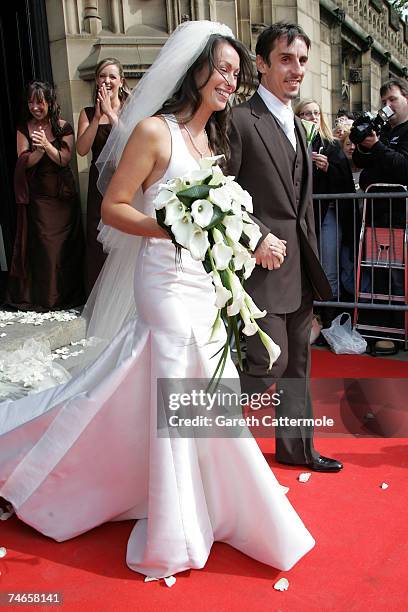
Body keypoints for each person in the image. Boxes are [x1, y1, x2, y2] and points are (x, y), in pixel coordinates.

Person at [0, 21, 315, 580]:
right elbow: (114, 207)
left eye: (235, 75)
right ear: (194, 70)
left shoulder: (212, 140)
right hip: (163, 282)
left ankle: (208, 495)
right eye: (222, 70)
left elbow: (221, 214)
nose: (228, 82)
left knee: (192, 385)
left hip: (201, 285)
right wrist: (167, 228)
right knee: (177, 376)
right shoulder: (153, 131)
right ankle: (175, 521)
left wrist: (253, 238)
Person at [228, 22, 342, 472]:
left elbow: (300, 205)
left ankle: (297, 448)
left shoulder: (299, 125)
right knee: (264, 366)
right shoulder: (239, 120)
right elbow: (221, 194)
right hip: (260, 268)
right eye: (286, 59)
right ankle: (202, 439)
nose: (296, 70)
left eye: (301, 61)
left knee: (298, 365)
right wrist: (255, 236)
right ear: (261, 64)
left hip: (299, 269)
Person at [6, 81, 84, 311]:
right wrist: (38, 149)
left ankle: (67, 295)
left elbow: (64, 159)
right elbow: (24, 160)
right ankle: (48, 298)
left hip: (62, 197)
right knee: (46, 248)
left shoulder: (64, 127)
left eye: (39, 102)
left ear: (50, 102)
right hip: (39, 197)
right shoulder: (24, 128)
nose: (34, 107)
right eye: (31, 102)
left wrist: (47, 146)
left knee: (64, 248)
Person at [352, 77, 408, 354]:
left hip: (401, 218)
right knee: (376, 272)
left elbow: (403, 169)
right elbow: (364, 168)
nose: (387, 105)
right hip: (376, 216)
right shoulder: (382, 131)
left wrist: (377, 150)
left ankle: (395, 332)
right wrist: (365, 143)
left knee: (398, 276)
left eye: (393, 99)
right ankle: (374, 328)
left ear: (406, 99)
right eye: (384, 101)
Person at [76, 58, 130, 296]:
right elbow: (81, 149)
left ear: (121, 81)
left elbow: (131, 143)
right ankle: (100, 298)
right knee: (99, 240)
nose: (106, 81)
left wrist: (112, 114)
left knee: (125, 237)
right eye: (102, 76)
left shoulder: (131, 107)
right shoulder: (88, 113)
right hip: (99, 186)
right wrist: (98, 117)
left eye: (112, 76)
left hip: (125, 181)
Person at [294, 99, 356, 303]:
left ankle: (330, 309)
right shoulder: (292, 142)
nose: (312, 117)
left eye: (316, 113)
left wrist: (328, 168)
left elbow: (344, 180)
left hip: (328, 212)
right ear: (298, 117)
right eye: (307, 114)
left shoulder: (331, 145)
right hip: (299, 213)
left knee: (329, 263)